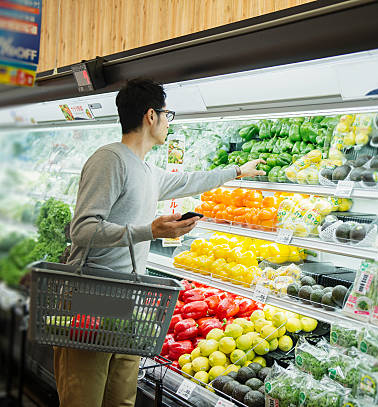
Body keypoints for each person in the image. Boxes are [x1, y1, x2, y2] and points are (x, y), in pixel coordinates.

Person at [54, 78, 265, 407]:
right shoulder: (110, 160)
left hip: (126, 298)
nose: (169, 122)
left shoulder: (148, 170)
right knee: (83, 397)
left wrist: (236, 171)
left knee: (122, 397)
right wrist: (148, 231)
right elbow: (82, 229)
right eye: (168, 114)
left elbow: (187, 180)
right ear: (150, 115)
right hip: (91, 295)